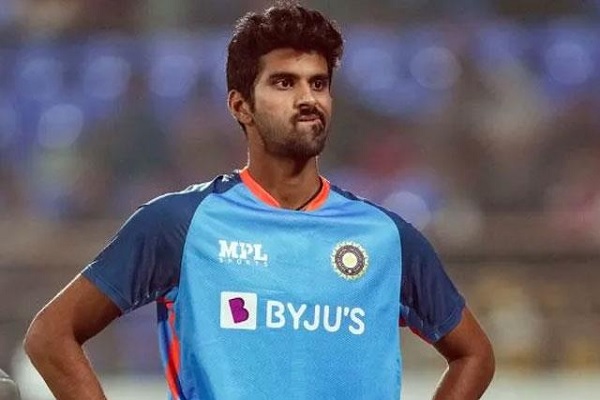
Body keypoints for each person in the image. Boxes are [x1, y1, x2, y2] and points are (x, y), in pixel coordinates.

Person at [23, 3, 495, 399]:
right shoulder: (180, 224)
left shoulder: (386, 237)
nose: (308, 98)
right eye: (284, 83)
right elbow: (50, 335)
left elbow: (474, 355)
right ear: (240, 106)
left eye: (318, 83)